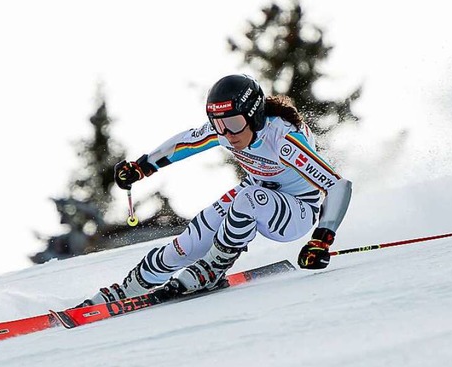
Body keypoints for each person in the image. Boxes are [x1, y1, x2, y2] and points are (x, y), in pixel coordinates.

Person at [83, 74, 352, 306]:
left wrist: (321, 240)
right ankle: (131, 288)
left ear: (254, 115)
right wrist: (142, 167)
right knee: (190, 241)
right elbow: (185, 142)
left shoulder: (284, 139)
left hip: (297, 211)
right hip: (257, 192)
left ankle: (213, 268)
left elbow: (338, 186)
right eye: (218, 124)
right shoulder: (225, 130)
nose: (228, 133)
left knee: (247, 197)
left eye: (234, 123)